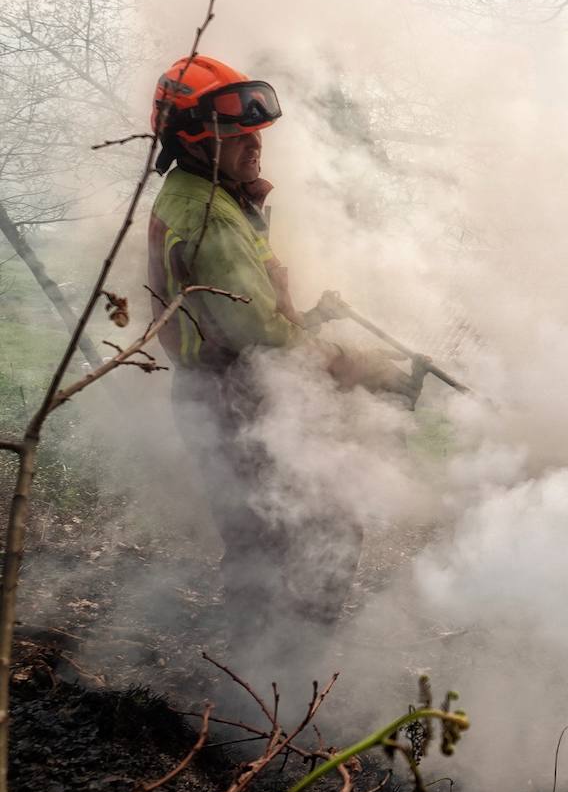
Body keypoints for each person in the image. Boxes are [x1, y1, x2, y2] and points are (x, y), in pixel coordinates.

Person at [145, 54, 412, 639]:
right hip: (236, 400)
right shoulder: (210, 215)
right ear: (190, 139)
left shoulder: (210, 194)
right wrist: (356, 366)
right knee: (323, 530)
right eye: (234, 133)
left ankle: (255, 683)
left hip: (225, 395)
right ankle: (284, 683)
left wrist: (311, 317)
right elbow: (259, 335)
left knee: (260, 542)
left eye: (256, 131)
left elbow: (243, 310)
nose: (253, 142)